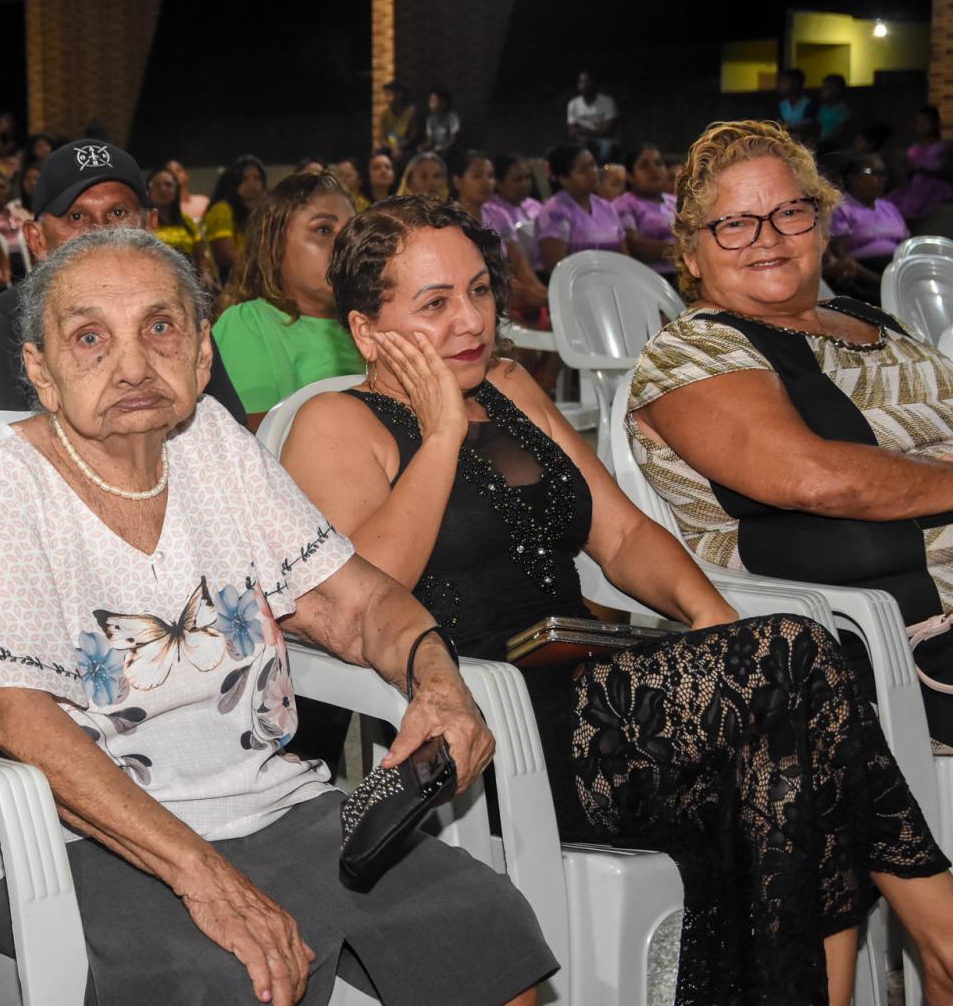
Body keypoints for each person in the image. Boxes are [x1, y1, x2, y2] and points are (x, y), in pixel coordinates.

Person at [282, 193, 953, 1006]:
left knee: (792, 734)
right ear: (366, 330)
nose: (471, 321)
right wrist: (443, 432)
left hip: (611, 689)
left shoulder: (513, 392)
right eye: (435, 303)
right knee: (799, 665)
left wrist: (715, 629)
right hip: (502, 726)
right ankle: (941, 935)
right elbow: (367, 595)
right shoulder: (337, 424)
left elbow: (626, 538)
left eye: (481, 291)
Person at [0, 224, 555, 1006]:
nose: (133, 365)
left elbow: (356, 603)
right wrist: (205, 878)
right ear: (40, 373)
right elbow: (7, 718)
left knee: (481, 921)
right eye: (89, 339)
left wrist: (438, 682)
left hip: (267, 801)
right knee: (217, 976)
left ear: (202, 353)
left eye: (160, 327)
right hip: (63, 837)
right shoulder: (0, 486)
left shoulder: (213, 443)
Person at [627, 119, 953, 749]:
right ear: (692, 253)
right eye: (735, 223)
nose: (767, 237)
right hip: (886, 662)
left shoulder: (870, 318)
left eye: (789, 213)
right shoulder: (690, 353)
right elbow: (816, 480)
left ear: (822, 225)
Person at [0, 139, 245, 423]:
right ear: (36, 240)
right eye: (76, 217)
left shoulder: (178, 309)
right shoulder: (6, 324)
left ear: (150, 227)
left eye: (118, 212)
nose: (100, 230)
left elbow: (227, 426)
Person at [211, 172, 363, 427]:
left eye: (351, 231)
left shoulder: (369, 325)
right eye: (323, 229)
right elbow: (246, 433)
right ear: (274, 245)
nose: (345, 244)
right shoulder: (250, 322)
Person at [451, 150, 548, 329]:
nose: (486, 183)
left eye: (490, 176)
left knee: (548, 314)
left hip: (507, 288)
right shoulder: (449, 220)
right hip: (477, 292)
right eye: (477, 176)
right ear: (458, 181)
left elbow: (520, 262)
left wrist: (540, 292)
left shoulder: (498, 215)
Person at [828, 151, 909, 304]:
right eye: (872, 172)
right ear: (852, 177)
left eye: (883, 174)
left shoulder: (889, 207)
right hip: (865, 274)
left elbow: (906, 245)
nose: (880, 180)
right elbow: (842, 256)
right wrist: (882, 281)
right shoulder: (842, 208)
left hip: (897, 269)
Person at [535, 143, 625, 272]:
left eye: (593, 165)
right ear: (564, 179)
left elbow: (624, 258)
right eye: (583, 170)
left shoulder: (606, 207)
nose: (592, 172)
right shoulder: (554, 212)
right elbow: (557, 269)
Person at [203, 154, 269, 284]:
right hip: (232, 280)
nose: (252, 184)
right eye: (244, 179)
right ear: (234, 183)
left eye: (257, 178)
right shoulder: (222, 210)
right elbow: (226, 255)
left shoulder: (267, 209)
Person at [613, 144, 677, 276]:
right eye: (644, 165)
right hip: (648, 279)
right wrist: (685, 251)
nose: (653, 170)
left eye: (658, 164)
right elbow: (636, 247)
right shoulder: (623, 205)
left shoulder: (676, 202)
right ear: (630, 176)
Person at [888, 105, 953, 222]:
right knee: (890, 203)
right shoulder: (914, 149)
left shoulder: (942, 147)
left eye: (925, 122)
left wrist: (924, 171)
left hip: (935, 188)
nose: (920, 126)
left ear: (936, 123)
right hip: (915, 188)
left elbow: (948, 173)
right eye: (918, 122)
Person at [147, 166, 207, 276]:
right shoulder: (143, 220)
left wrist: (205, 274)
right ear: (148, 190)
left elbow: (200, 255)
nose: (163, 189)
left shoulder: (186, 220)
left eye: (168, 185)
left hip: (189, 279)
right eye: (157, 184)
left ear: (176, 191)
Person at [565, 71, 617, 163]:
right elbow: (572, 131)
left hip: (603, 140)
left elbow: (608, 130)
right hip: (581, 139)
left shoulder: (607, 102)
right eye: (581, 82)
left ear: (594, 83)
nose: (584, 85)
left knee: (606, 150)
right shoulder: (573, 104)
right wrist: (596, 129)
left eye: (587, 81)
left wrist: (582, 129)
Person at [376, 80, 419, 157]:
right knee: (378, 155)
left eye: (388, 95)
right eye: (385, 95)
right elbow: (381, 138)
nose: (386, 99)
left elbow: (413, 136)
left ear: (399, 94)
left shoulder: (411, 112)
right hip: (390, 146)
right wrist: (392, 147)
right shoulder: (385, 114)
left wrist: (399, 146)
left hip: (406, 146)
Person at [776, 68, 817, 144]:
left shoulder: (807, 103)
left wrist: (789, 128)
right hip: (786, 136)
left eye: (784, 82)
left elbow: (806, 127)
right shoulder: (782, 105)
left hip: (802, 138)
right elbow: (779, 125)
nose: (779, 85)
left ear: (796, 83)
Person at [164, 157, 209, 222]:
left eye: (178, 170)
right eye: (170, 172)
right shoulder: (165, 208)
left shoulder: (204, 201)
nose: (174, 174)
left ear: (187, 176)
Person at [420, 89, 461, 153]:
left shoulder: (452, 117)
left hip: (449, 151)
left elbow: (453, 140)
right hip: (436, 150)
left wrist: (440, 149)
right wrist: (423, 146)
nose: (430, 104)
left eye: (433, 101)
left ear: (443, 103)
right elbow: (429, 141)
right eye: (430, 101)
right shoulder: (430, 119)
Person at [816, 74, 851, 149]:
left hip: (834, 144)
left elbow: (840, 132)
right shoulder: (823, 107)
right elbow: (818, 126)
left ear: (837, 91)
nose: (822, 89)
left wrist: (823, 140)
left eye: (826, 87)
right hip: (822, 141)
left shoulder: (842, 110)